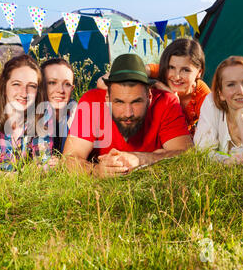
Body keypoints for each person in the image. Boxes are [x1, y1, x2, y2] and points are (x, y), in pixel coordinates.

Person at [63, 54, 193, 177]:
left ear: (149, 96)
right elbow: (69, 159)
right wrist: (98, 171)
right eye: (119, 102)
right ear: (107, 97)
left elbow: (186, 155)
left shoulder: (166, 102)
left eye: (136, 102)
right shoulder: (92, 102)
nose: (128, 113)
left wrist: (141, 159)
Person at [98, 39, 210, 136]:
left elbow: (212, 130)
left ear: (199, 72)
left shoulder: (204, 96)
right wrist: (159, 85)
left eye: (185, 70)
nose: (176, 76)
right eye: (171, 67)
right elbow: (101, 83)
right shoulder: (158, 71)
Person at [0, 54, 53, 171]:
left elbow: (44, 163)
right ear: (4, 86)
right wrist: (26, 173)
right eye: (16, 84)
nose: (24, 93)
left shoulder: (43, 112)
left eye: (32, 86)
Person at [41, 58, 77, 155]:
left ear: (72, 88)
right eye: (52, 82)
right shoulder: (28, 115)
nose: (61, 90)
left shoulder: (77, 114)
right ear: (40, 85)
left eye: (67, 84)